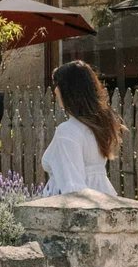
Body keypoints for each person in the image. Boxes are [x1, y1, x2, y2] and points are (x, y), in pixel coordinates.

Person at [40, 60, 122, 197]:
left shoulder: (68, 131)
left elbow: (72, 186)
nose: (55, 90)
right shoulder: (97, 127)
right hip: (103, 195)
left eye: (58, 85)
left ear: (70, 90)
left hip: (76, 208)